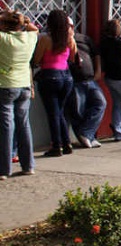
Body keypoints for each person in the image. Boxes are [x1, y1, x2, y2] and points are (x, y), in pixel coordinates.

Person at [32, 9, 77, 156]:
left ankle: (56, 145)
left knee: (53, 113)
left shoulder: (45, 39)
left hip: (50, 76)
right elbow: (73, 58)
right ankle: (66, 142)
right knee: (60, 111)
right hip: (66, 77)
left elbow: (37, 59)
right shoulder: (69, 38)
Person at [0, 10, 38, 179]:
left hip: (6, 85)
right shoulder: (30, 38)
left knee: (6, 128)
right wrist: (24, 21)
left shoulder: (4, 39)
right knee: (24, 125)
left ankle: (4, 168)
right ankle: (28, 165)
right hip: (24, 85)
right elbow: (34, 28)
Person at [67, 18, 106, 148]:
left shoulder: (83, 38)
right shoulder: (61, 41)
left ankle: (86, 133)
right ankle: (87, 137)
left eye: (70, 26)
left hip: (90, 79)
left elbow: (96, 54)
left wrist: (98, 71)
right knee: (78, 110)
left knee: (100, 103)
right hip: (75, 80)